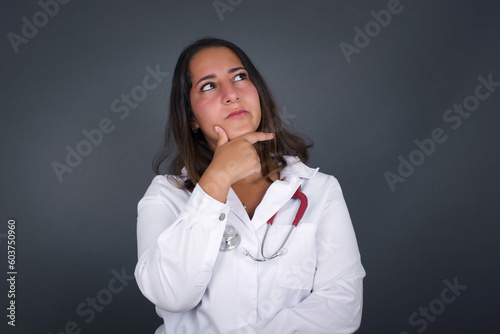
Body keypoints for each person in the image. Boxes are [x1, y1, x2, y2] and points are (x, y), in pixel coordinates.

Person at [134, 37, 365, 334]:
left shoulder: (319, 190)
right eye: (208, 85)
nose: (231, 94)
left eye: (240, 77)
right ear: (191, 117)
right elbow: (171, 295)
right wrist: (217, 178)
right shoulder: (165, 196)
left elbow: (341, 306)